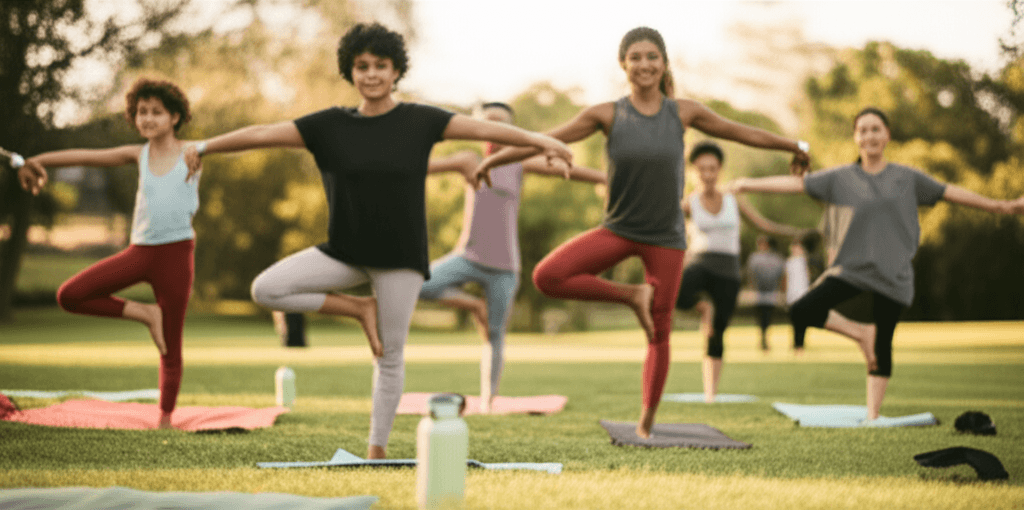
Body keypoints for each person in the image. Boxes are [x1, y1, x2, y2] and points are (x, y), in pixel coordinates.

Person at [183, 23, 572, 458]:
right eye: (361, 66)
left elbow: (490, 132)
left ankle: (376, 450)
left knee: (389, 356)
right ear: (350, 72)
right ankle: (357, 307)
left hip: (399, 260)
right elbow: (261, 134)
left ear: (396, 71)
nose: (371, 74)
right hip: (344, 252)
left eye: (380, 66)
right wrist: (205, 146)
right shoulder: (328, 125)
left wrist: (543, 140)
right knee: (267, 289)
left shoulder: (421, 121)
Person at [474, 26, 810, 437]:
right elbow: (545, 139)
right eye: (636, 57)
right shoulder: (607, 114)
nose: (645, 64)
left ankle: (647, 423)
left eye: (652, 56)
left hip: (665, 238)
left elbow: (741, 131)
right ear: (623, 65)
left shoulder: (682, 112)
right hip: (617, 229)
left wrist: (793, 145)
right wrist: (494, 161)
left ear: (664, 63)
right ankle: (632, 296)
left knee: (660, 329)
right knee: (548, 276)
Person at [731, 106, 1024, 422]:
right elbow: (797, 185)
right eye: (863, 130)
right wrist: (747, 184)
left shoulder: (907, 178)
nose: (869, 135)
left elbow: (950, 193)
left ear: (886, 135)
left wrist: (1001, 206)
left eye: (876, 129)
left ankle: (873, 415)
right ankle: (860, 334)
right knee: (802, 309)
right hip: (852, 269)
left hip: (893, 272)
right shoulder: (841, 177)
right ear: (856, 137)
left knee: (883, 345)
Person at [17, 78, 200, 429]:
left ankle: (165, 419)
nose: (147, 119)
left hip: (177, 257)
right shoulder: (138, 154)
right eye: (141, 112)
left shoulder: (194, 150)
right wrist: (37, 160)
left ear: (175, 116)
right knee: (70, 294)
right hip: (140, 252)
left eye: (156, 112)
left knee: (170, 347)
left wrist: (204, 149)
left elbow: (243, 141)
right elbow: (85, 156)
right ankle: (146, 313)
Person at [422, 102, 606, 412]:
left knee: (495, 336)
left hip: (504, 267)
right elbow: (421, 167)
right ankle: (473, 305)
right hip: (466, 256)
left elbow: (572, 171)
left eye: (501, 124)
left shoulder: (519, 165)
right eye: (488, 123)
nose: (495, 131)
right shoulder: (469, 160)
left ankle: (488, 401)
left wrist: (604, 179)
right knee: (418, 284)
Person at [675, 140, 800, 403]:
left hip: (728, 270)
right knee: (677, 292)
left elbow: (762, 224)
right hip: (700, 262)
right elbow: (664, 226)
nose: (708, 175)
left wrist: (795, 234)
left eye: (712, 169)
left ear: (720, 169)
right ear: (694, 171)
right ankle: (703, 308)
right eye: (702, 170)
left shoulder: (734, 200)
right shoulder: (689, 203)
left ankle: (710, 393)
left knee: (718, 331)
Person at [747, 235, 786, 352]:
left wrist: (782, 291)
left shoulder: (776, 258)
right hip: (759, 294)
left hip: (770, 294)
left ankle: (765, 338)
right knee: (762, 318)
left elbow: (782, 276)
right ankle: (763, 338)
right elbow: (751, 276)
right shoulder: (755, 258)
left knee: (767, 318)